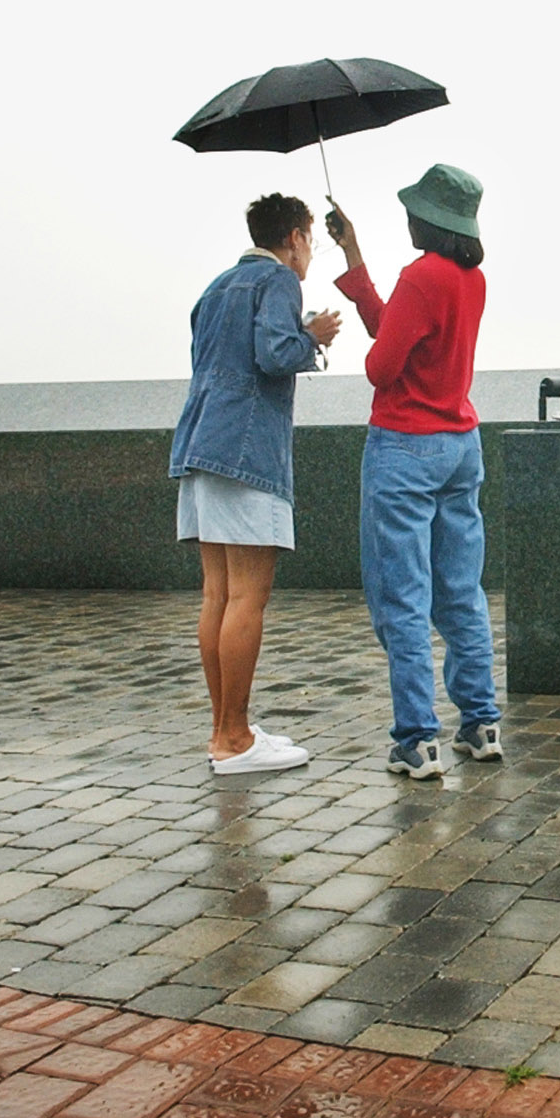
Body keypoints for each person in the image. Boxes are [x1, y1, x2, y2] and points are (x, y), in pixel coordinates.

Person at [327, 164, 503, 780]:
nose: (406, 218)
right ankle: (480, 725)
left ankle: (417, 741)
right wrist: (353, 253)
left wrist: (373, 334)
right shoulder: (470, 279)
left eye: (412, 211)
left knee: (401, 598)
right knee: (461, 592)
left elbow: (381, 366)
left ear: (428, 219)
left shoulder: (421, 276)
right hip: (460, 444)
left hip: (404, 447)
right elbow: (401, 330)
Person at [169, 194, 341, 775]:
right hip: (246, 453)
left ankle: (222, 731)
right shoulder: (279, 281)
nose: (310, 253)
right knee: (248, 596)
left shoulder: (215, 288)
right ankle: (237, 737)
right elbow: (272, 354)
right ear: (293, 237)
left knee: (216, 595)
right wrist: (312, 334)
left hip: (200, 444)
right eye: (311, 241)